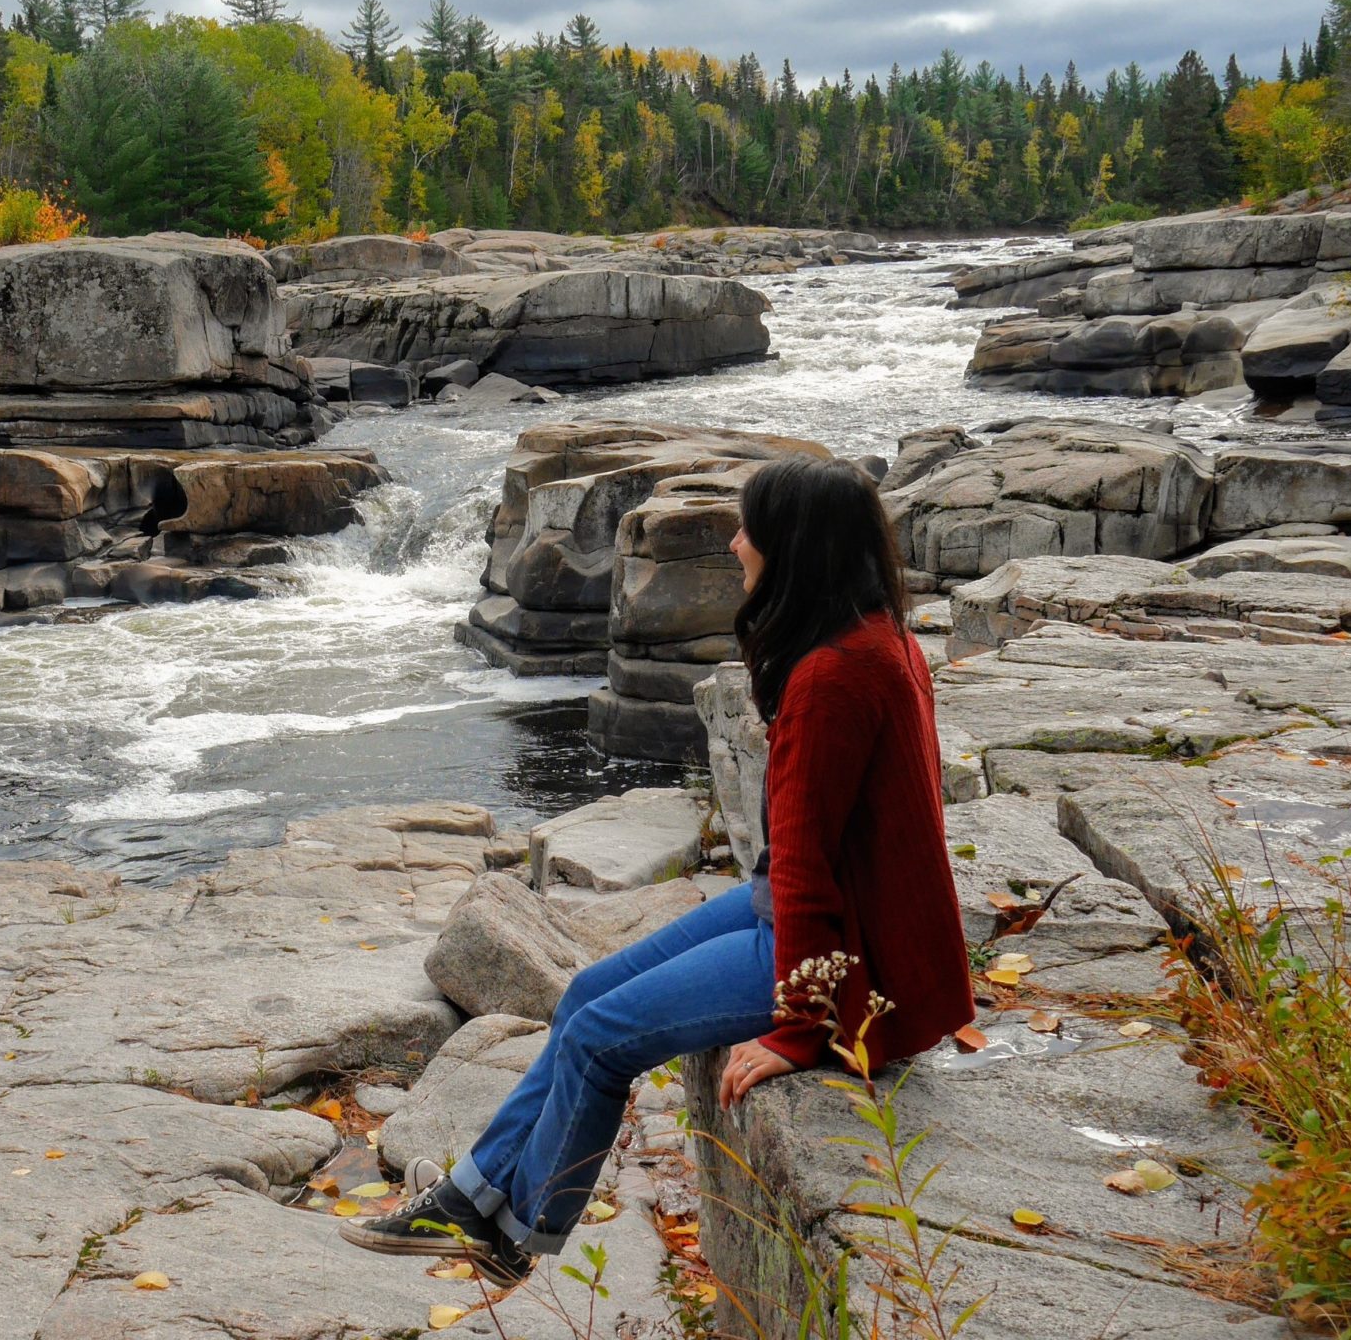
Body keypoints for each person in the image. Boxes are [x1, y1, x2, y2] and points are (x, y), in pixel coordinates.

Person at [342, 454, 975, 1285]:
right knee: (583, 994)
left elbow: (808, 866)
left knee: (600, 1039)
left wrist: (800, 1029)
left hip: (842, 948)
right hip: (815, 912)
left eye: (750, 530)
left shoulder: (831, 677)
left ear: (795, 547)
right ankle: (471, 1195)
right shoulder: (878, 637)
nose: (736, 544)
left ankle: (513, 1232)